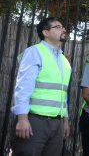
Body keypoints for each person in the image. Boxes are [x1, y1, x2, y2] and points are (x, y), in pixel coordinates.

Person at [11, 17, 71, 156]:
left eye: (63, 27)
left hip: (57, 124)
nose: (63, 29)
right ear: (46, 32)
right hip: (34, 122)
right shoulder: (34, 52)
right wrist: (22, 118)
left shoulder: (64, 61)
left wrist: (65, 120)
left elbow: (63, 93)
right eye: (58, 27)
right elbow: (23, 86)